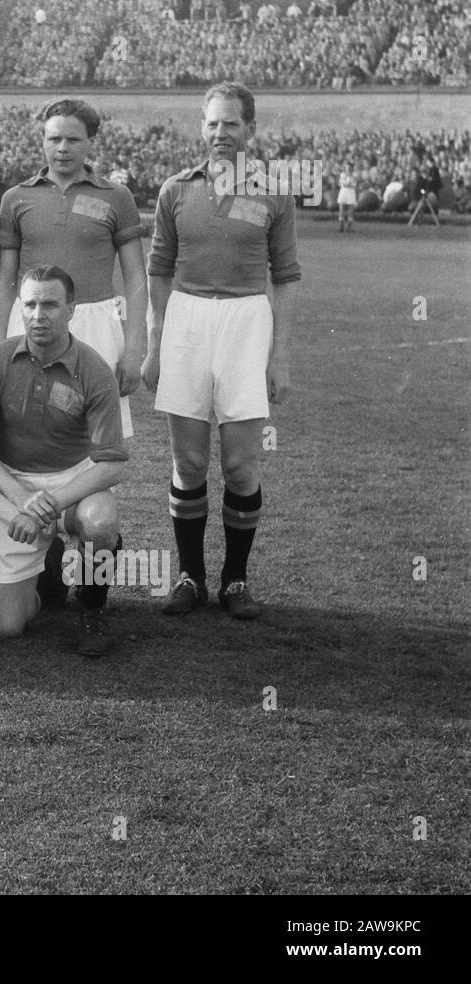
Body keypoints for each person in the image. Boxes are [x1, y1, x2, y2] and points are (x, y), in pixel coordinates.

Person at [143, 81, 301, 620]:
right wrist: (156, 343)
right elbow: (158, 270)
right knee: (188, 462)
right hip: (187, 319)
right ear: (201, 127)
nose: (220, 133)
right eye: (212, 123)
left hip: (245, 321)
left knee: (239, 464)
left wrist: (278, 355)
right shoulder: (175, 190)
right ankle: (191, 576)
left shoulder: (274, 190)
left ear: (250, 130)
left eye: (231, 124)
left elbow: (287, 276)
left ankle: (235, 580)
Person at [0, 98, 145, 608]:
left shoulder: (116, 196)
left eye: (73, 139)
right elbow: (4, 276)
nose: (62, 148)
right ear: (41, 141)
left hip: (99, 321)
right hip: (32, 318)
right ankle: (50, 557)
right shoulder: (16, 197)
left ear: (90, 143)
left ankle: (95, 577)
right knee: (34, 429)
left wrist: (136, 344)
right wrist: (1, 336)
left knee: (95, 449)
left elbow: (136, 276)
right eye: (54, 138)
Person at [0, 266, 128, 654]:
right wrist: (22, 498)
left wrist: (45, 507)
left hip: (73, 483)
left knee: (101, 520)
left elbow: (112, 464)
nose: (39, 315)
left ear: (71, 309)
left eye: (51, 305)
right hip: (13, 484)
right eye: (31, 304)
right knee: (7, 628)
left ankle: (92, 606)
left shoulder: (94, 369)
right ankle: (49, 571)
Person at [336, 159, 358, 232]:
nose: (348, 169)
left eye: (349, 167)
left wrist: (349, 183)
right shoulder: (342, 175)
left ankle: (349, 227)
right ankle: (341, 226)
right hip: (343, 192)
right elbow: (343, 184)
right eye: (346, 167)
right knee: (341, 210)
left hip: (351, 193)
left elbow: (354, 185)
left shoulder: (355, 175)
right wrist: (348, 183)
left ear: (352, 168)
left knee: (350, 211)